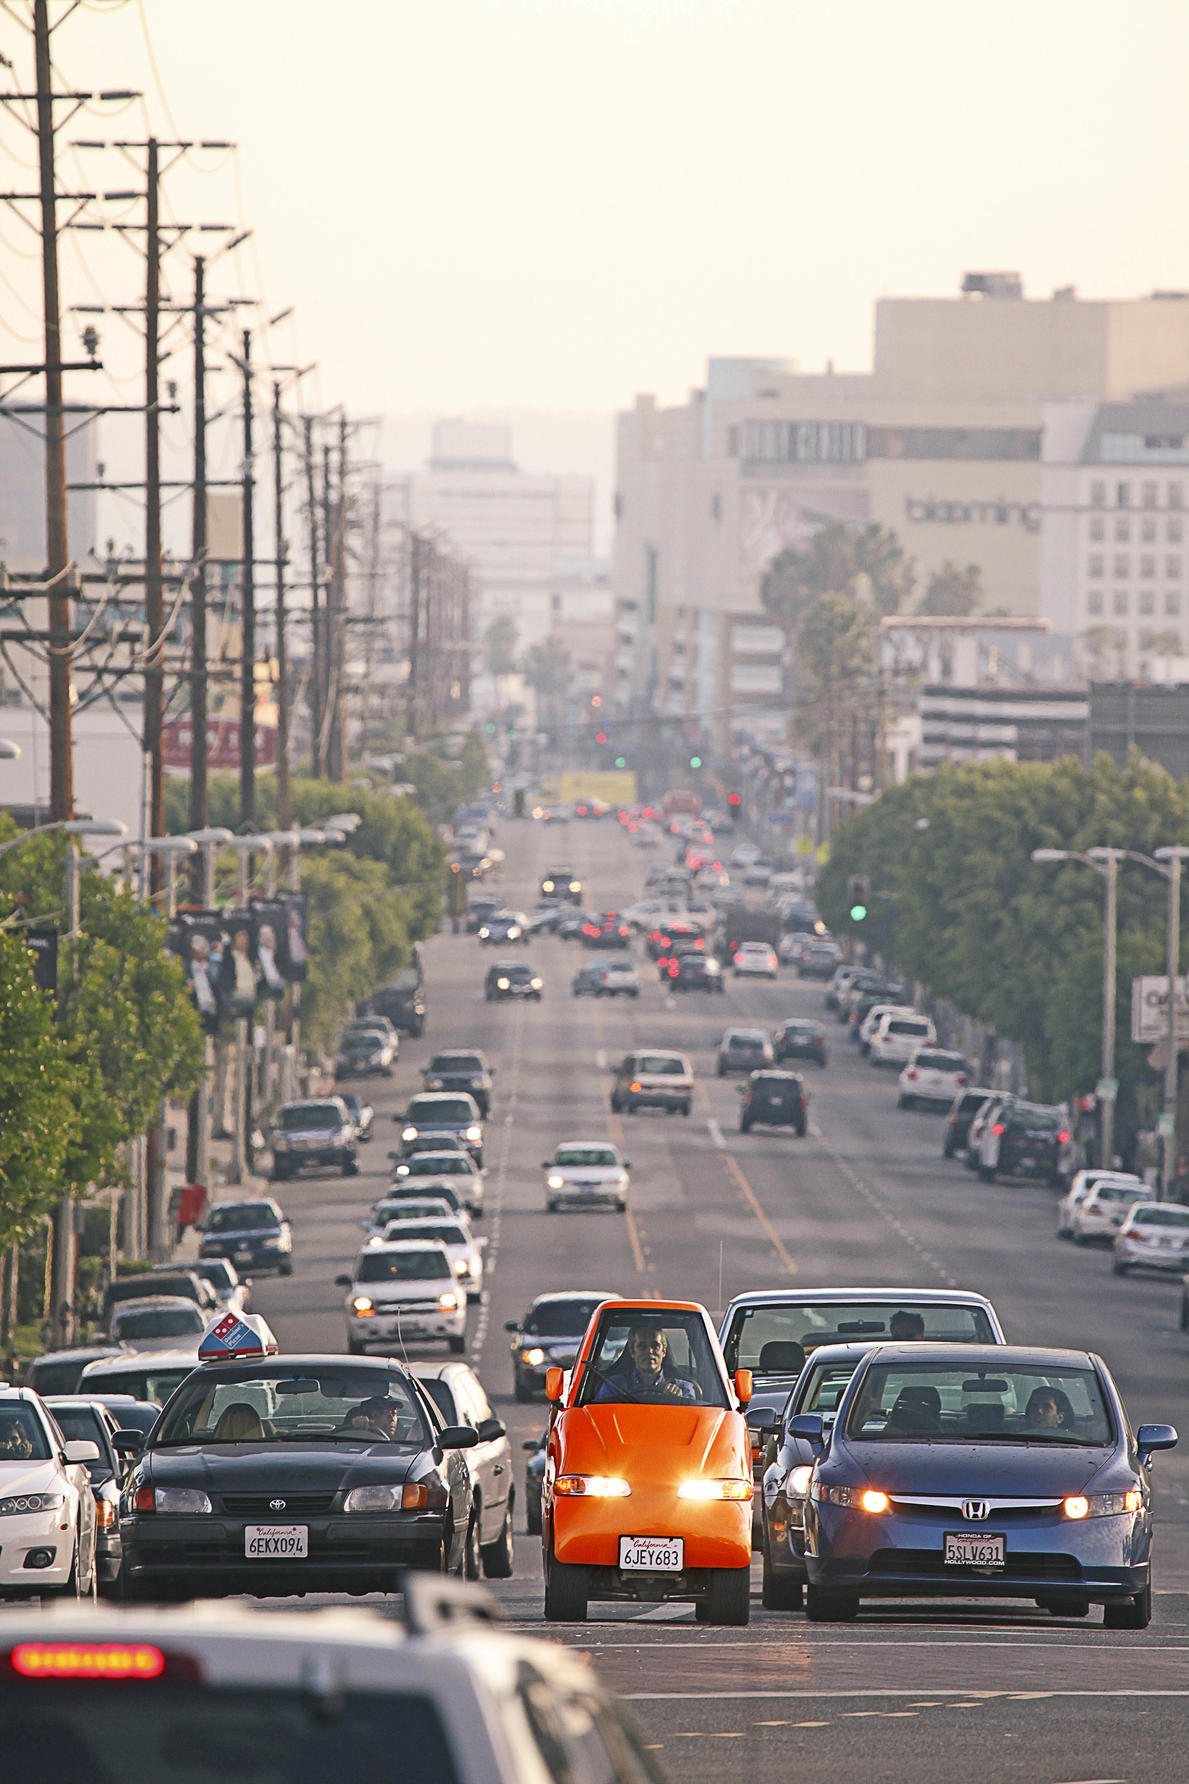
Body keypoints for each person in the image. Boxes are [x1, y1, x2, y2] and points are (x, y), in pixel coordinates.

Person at [594, 1322, 698, 1403]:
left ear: (664, 1351)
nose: (649, 1351)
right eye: (642, 1346)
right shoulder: (613, 1386)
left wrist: (677, 1402)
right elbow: (600, 1418)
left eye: (655, 1345)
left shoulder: (684, 1389)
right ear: (632, 1352)